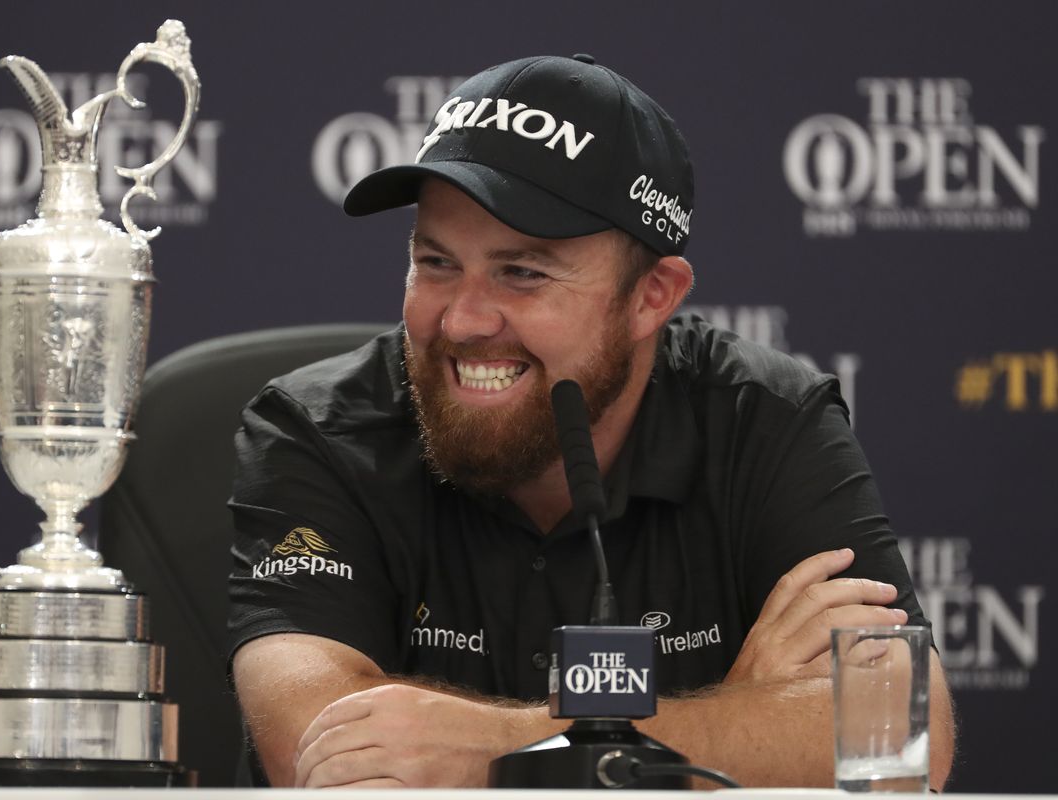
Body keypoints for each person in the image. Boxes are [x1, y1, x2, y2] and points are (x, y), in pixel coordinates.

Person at [228, 54, 954, 789]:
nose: (464, 319)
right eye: (436, 262)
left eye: (523, 273)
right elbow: (321, 753)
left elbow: (902, 738)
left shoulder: (765, 419)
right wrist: (732, 712)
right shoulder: (314, 430)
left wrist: (495, 746)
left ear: (651, 297)